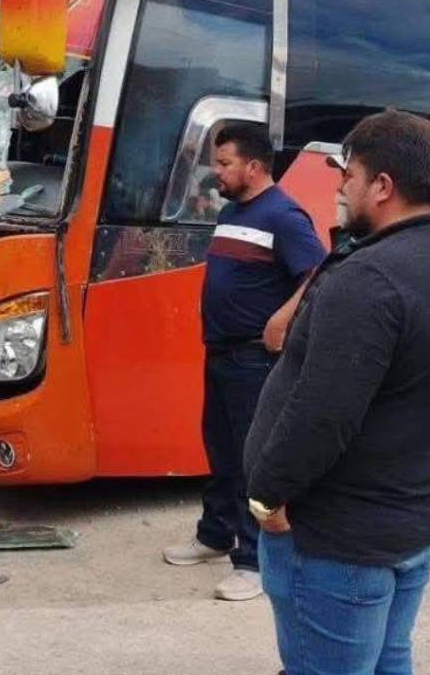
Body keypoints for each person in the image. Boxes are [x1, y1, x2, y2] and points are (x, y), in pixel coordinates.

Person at [243, 110, 430, 675]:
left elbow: (321, 416)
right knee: (389, 660)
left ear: (382, 186)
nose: (339, 188)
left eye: (348, 175)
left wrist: (266, 495)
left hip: (341, 539)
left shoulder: (371, 278)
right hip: (414, 522)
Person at [163, 122, 326, 602]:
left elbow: (317, 276)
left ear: (254, 167)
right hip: (221, 353)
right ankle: (215, 535)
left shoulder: (285, 216)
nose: (218, 171)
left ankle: (254, 562)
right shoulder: (233, 210)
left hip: (254, 359)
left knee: (254, 461)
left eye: (226, 163)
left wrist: (280, 319)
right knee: (220, 452)